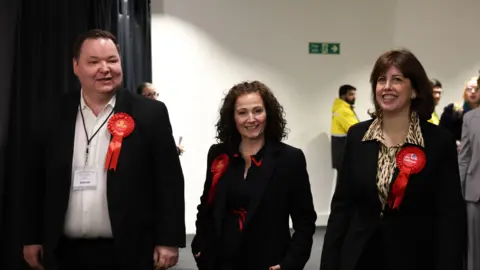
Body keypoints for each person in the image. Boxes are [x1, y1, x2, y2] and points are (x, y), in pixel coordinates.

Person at [22, 29, 186, 270]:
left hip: (129, 250)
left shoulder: (151, 114)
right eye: (93, 61)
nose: (105, 68)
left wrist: (169, 241)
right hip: (62, 251)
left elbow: (169, 182)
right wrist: (30, 237)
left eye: (112, 60)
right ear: (76, 66)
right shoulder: (51, 114)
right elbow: (33, 182)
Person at [320, 49, 466, 270]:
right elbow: (342, 207)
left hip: (416, 258)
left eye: (397, 79)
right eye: (381, 80)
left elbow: (450, 216)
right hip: (359, 257)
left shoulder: (438, 141)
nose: (387, 86)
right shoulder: (357, 136)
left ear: (415, 89)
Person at [191, 81, 317, 270]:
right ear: (232, 117)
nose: (251, 119)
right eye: (242, 112)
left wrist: (290, 263)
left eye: (257, 110)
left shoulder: (290, 159)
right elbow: (207, 205)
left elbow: (305, 220)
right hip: (219, 261)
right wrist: (200, 245)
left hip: (267, 262)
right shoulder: (219, 154)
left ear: (268, 113)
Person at [458, 75, 480, 270]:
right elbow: (464, 157)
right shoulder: (470, 118)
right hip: (475, 194)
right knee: (474, 251)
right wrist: (459, 189)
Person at [136, 82, 185, 155]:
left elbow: (165, 139)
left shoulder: (161, 113)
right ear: (139, 97)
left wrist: (174, 148)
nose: (154, 98)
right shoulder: (135, 116)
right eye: (149, 95)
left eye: (155, 94)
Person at [439, 76, 480, 141]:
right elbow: (442, 134)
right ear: (465, 92)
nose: (473, 91)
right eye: (469, 89)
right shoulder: (452, 110)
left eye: (477, 89)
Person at [330, 84, 359, 170]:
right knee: (345, 182)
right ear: (343, 96)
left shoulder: (342, 108)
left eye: (354, 94)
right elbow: (355, 129)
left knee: (342, 181)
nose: (354, 97)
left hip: (342, 152)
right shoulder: (343, 110)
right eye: (351, 94)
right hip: (344, 152)